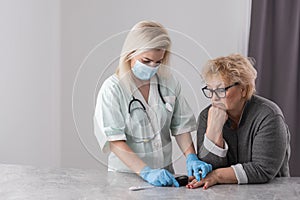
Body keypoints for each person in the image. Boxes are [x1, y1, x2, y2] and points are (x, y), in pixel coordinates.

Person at [94, 20, 212, 187]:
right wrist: (146, 172)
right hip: (126, 181)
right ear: (130, 53)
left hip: (165, 176)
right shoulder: (113, 89)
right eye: (146, 60)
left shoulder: (168, 82)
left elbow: (181, 126)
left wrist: (191, 157)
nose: (152, 66)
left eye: (158, 62)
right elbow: (114, 140)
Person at [187, 53, 290, 189]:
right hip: (224, 195)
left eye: (221, 89)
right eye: (210, 90)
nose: (214, 98)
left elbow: (263, 169)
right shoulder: (206, 116)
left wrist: (217, 175)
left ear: (243, 89)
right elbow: (206, 171)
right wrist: (214, 130)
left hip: (271, 193)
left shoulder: (269, 115)